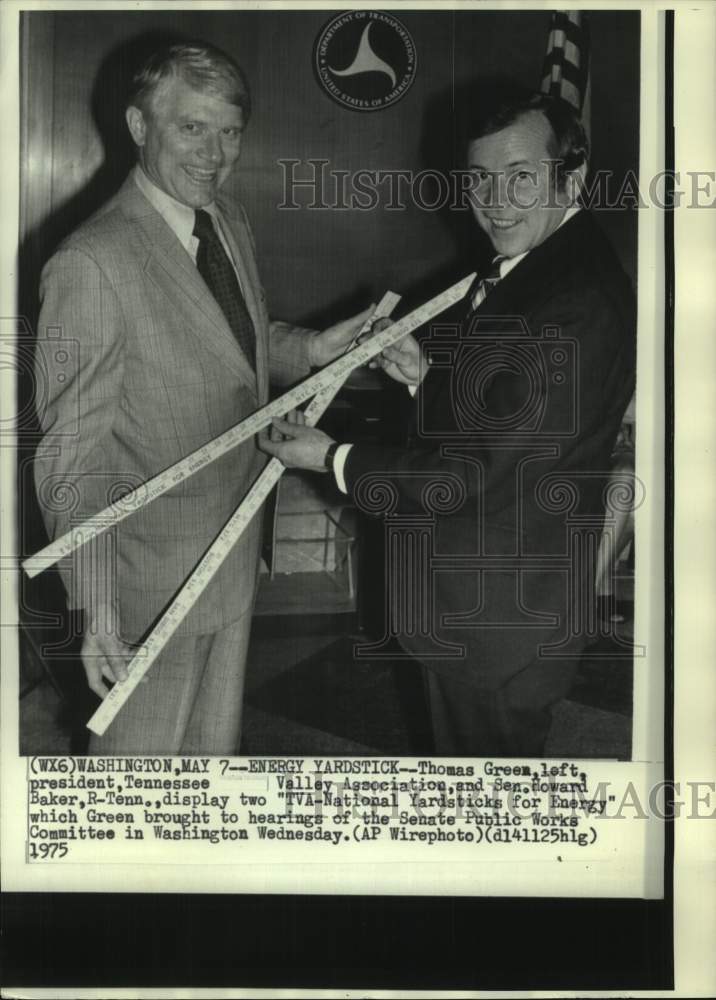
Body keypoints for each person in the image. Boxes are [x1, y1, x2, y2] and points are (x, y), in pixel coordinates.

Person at [261, 91, 636, 757]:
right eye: (480, 180)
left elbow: (474, 474)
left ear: (568, 176)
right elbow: (498, 416)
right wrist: (420, 375)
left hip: (499, 623)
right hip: (490, 604)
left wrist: (331, 459)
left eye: (520, 175)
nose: (496, 200)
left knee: (488, 804)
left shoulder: (575, 300)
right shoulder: (537, 264)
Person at [33, 41, 369, 755]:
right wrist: (95, 608)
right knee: (134, 798)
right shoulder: (91, 263)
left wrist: (309, 349)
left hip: (232, 553)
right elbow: (70, 461)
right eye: (192, 128)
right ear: (137, 125)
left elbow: (230, 340)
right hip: (145, 586)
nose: (214, 153)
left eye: (230, 131)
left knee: (206, 771)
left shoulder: (227, 221)